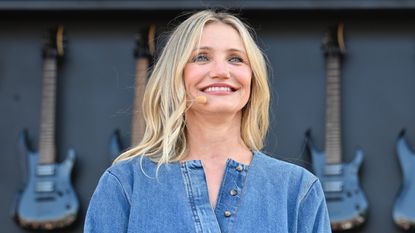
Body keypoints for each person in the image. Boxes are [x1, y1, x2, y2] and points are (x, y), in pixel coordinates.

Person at [84, 10, 331, 233]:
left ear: (253, 78)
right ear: (175, 75)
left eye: (236, 59)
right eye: (201, 57)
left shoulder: (299, 191)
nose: (221, 71)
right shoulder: (125, 185)